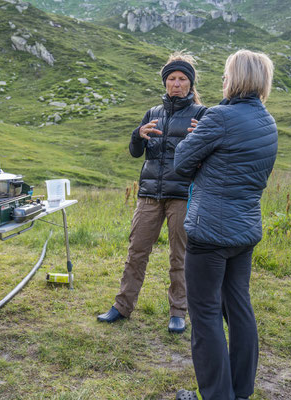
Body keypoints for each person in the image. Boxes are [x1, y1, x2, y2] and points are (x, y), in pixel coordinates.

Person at [173, 50, 278, 399]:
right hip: (244, 231)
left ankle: (217, 395)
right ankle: (240, 390)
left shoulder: (219, 117)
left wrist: (198, 137)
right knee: (239, 308)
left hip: (209, 233)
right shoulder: (267, 122)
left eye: (226, 74)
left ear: (239, 78)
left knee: (204, 315)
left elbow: (181, 163)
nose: (222, 80)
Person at [97, 52, 207, 333]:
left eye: (183, 79)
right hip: (149, 194)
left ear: (191, 84)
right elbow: (136, 153)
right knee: (136, 251)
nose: (177, 84)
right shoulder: (152, 113)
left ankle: (178, 312)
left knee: (179, 256)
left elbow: (210, 157)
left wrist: (202, 139)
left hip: (182, 195)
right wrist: (137, 134)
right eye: (172, 79)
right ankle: (122, 307)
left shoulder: (201, 114)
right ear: (165, 83)